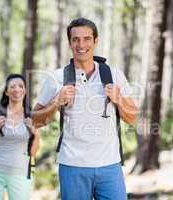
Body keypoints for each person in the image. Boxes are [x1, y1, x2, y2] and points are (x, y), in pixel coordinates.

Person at [32, 18, 138, 200]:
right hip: (73, 166)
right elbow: (35, 120)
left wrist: (119, 99)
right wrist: (56, 102)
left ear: (96, 41)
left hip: (110, 166)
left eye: (87, 39)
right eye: (76, 39)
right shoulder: (57, 78)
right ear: (69, 43)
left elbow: (133, 117)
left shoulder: (113, 74)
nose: (81, 45)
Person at [0, 74, 39, 200]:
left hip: (20, 174)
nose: (16, 89)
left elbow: (33, 153)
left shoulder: (31, 116)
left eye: (20, 86)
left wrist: (36, 133)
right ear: (6, 92)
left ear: (25, 91)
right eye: (12, 87)